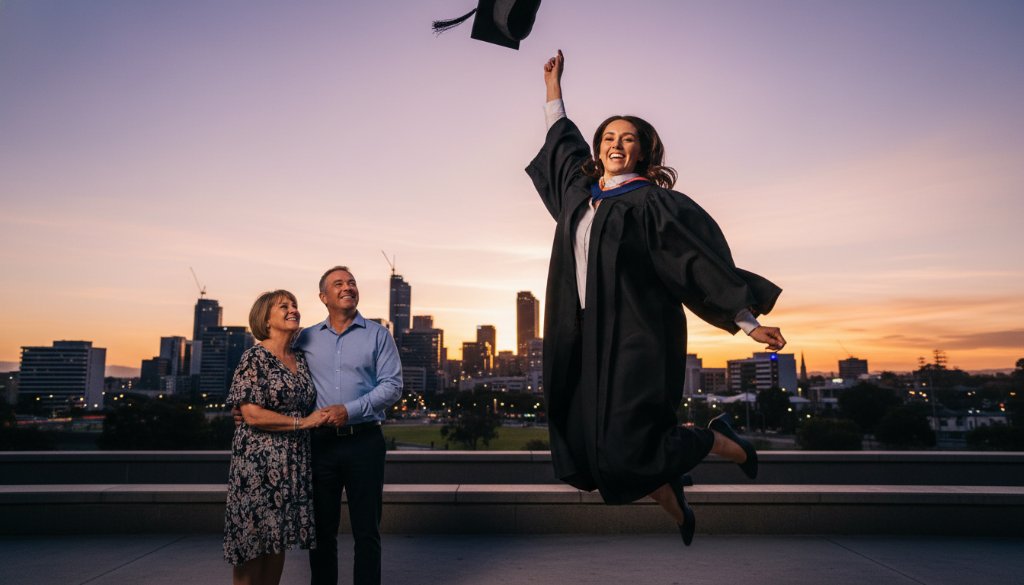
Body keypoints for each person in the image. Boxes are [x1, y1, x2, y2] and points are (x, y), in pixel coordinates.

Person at [526, 50, 787, 546]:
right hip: (579, 333)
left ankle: (718, 440)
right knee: (590, 440)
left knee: (628, 438)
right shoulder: (579, 195)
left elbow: (697, 263)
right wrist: (553, 88)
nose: (615, 144)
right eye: (608, 137)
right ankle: (672, 498)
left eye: (627, 138)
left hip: (636, 333)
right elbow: (561, 145)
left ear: (643, 151)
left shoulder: (652, 203)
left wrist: (749, 323)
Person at [296, 266, 403, 585]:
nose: (348, 287)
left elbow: (392, 386)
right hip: (320, 444)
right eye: (338, 283)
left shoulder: (378, 334)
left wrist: (350, 411)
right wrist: (246, 407)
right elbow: (281, 376)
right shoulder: (305, 338)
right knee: (321, 532)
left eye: (352, 282)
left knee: (367, 531)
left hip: (365, 442)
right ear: (323, 297)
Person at [224, 290, 327, 584]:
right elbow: (252, 414)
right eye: (284, 306)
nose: (293, 309)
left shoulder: (301, 359)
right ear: (265, 319)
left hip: (291, 465)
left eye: (294, 305)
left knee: (276, 542)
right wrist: (302, 422)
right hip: (258, 467)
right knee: (252, 545)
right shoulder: (254, 357)